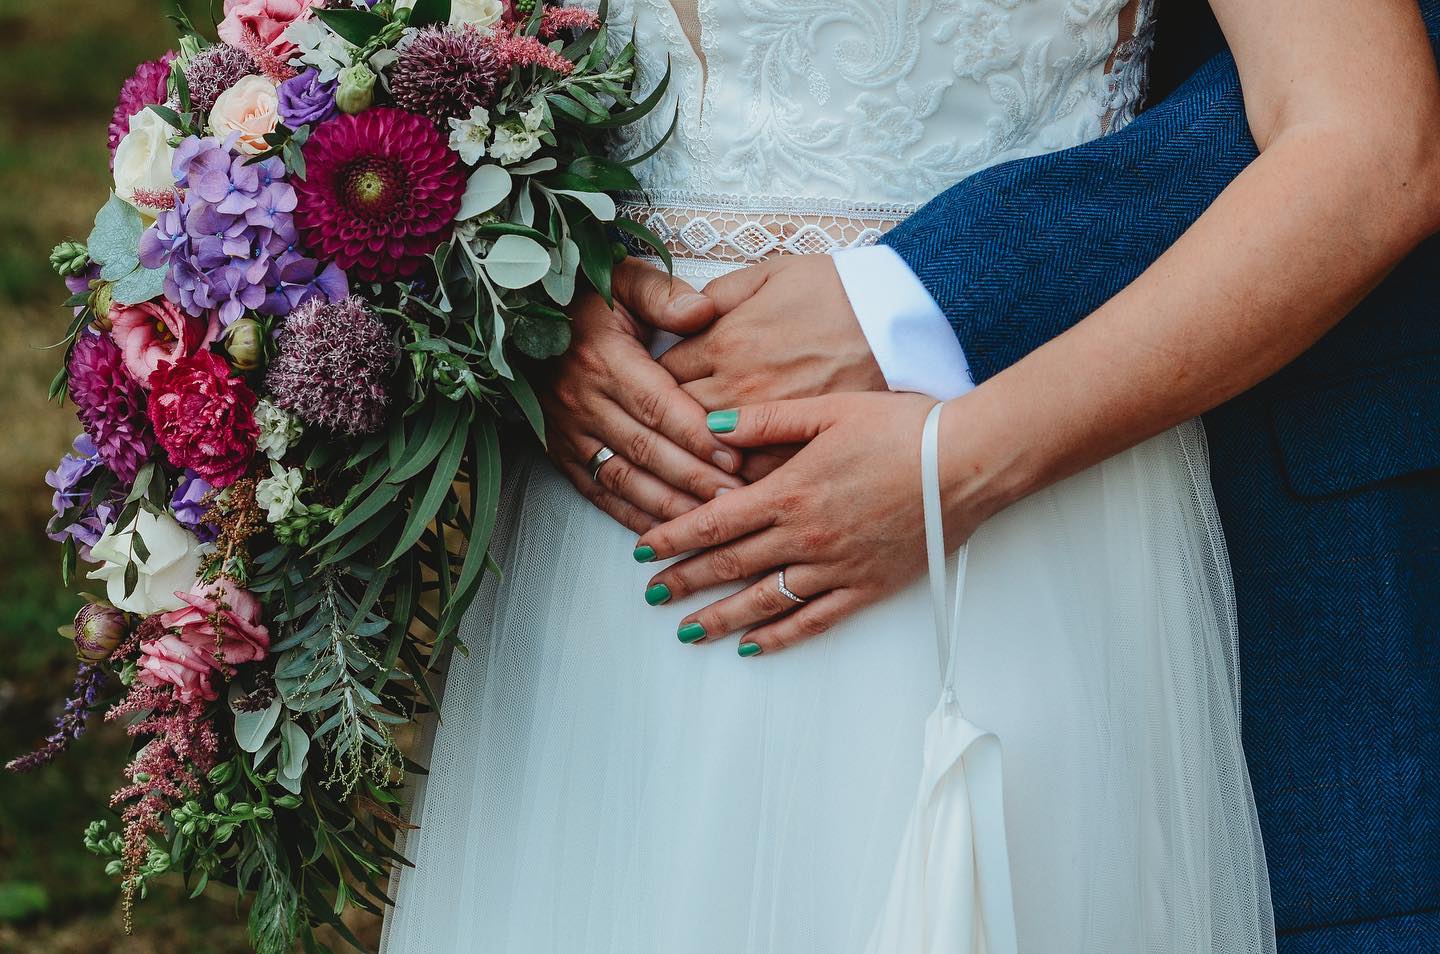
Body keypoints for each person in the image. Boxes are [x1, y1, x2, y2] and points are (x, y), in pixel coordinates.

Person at [383, 0, 1440, 951]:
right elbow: (407, 85)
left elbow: (1372, 144)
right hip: (602, 562)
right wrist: (532, 294)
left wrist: (961, 464)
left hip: (1007, 521)